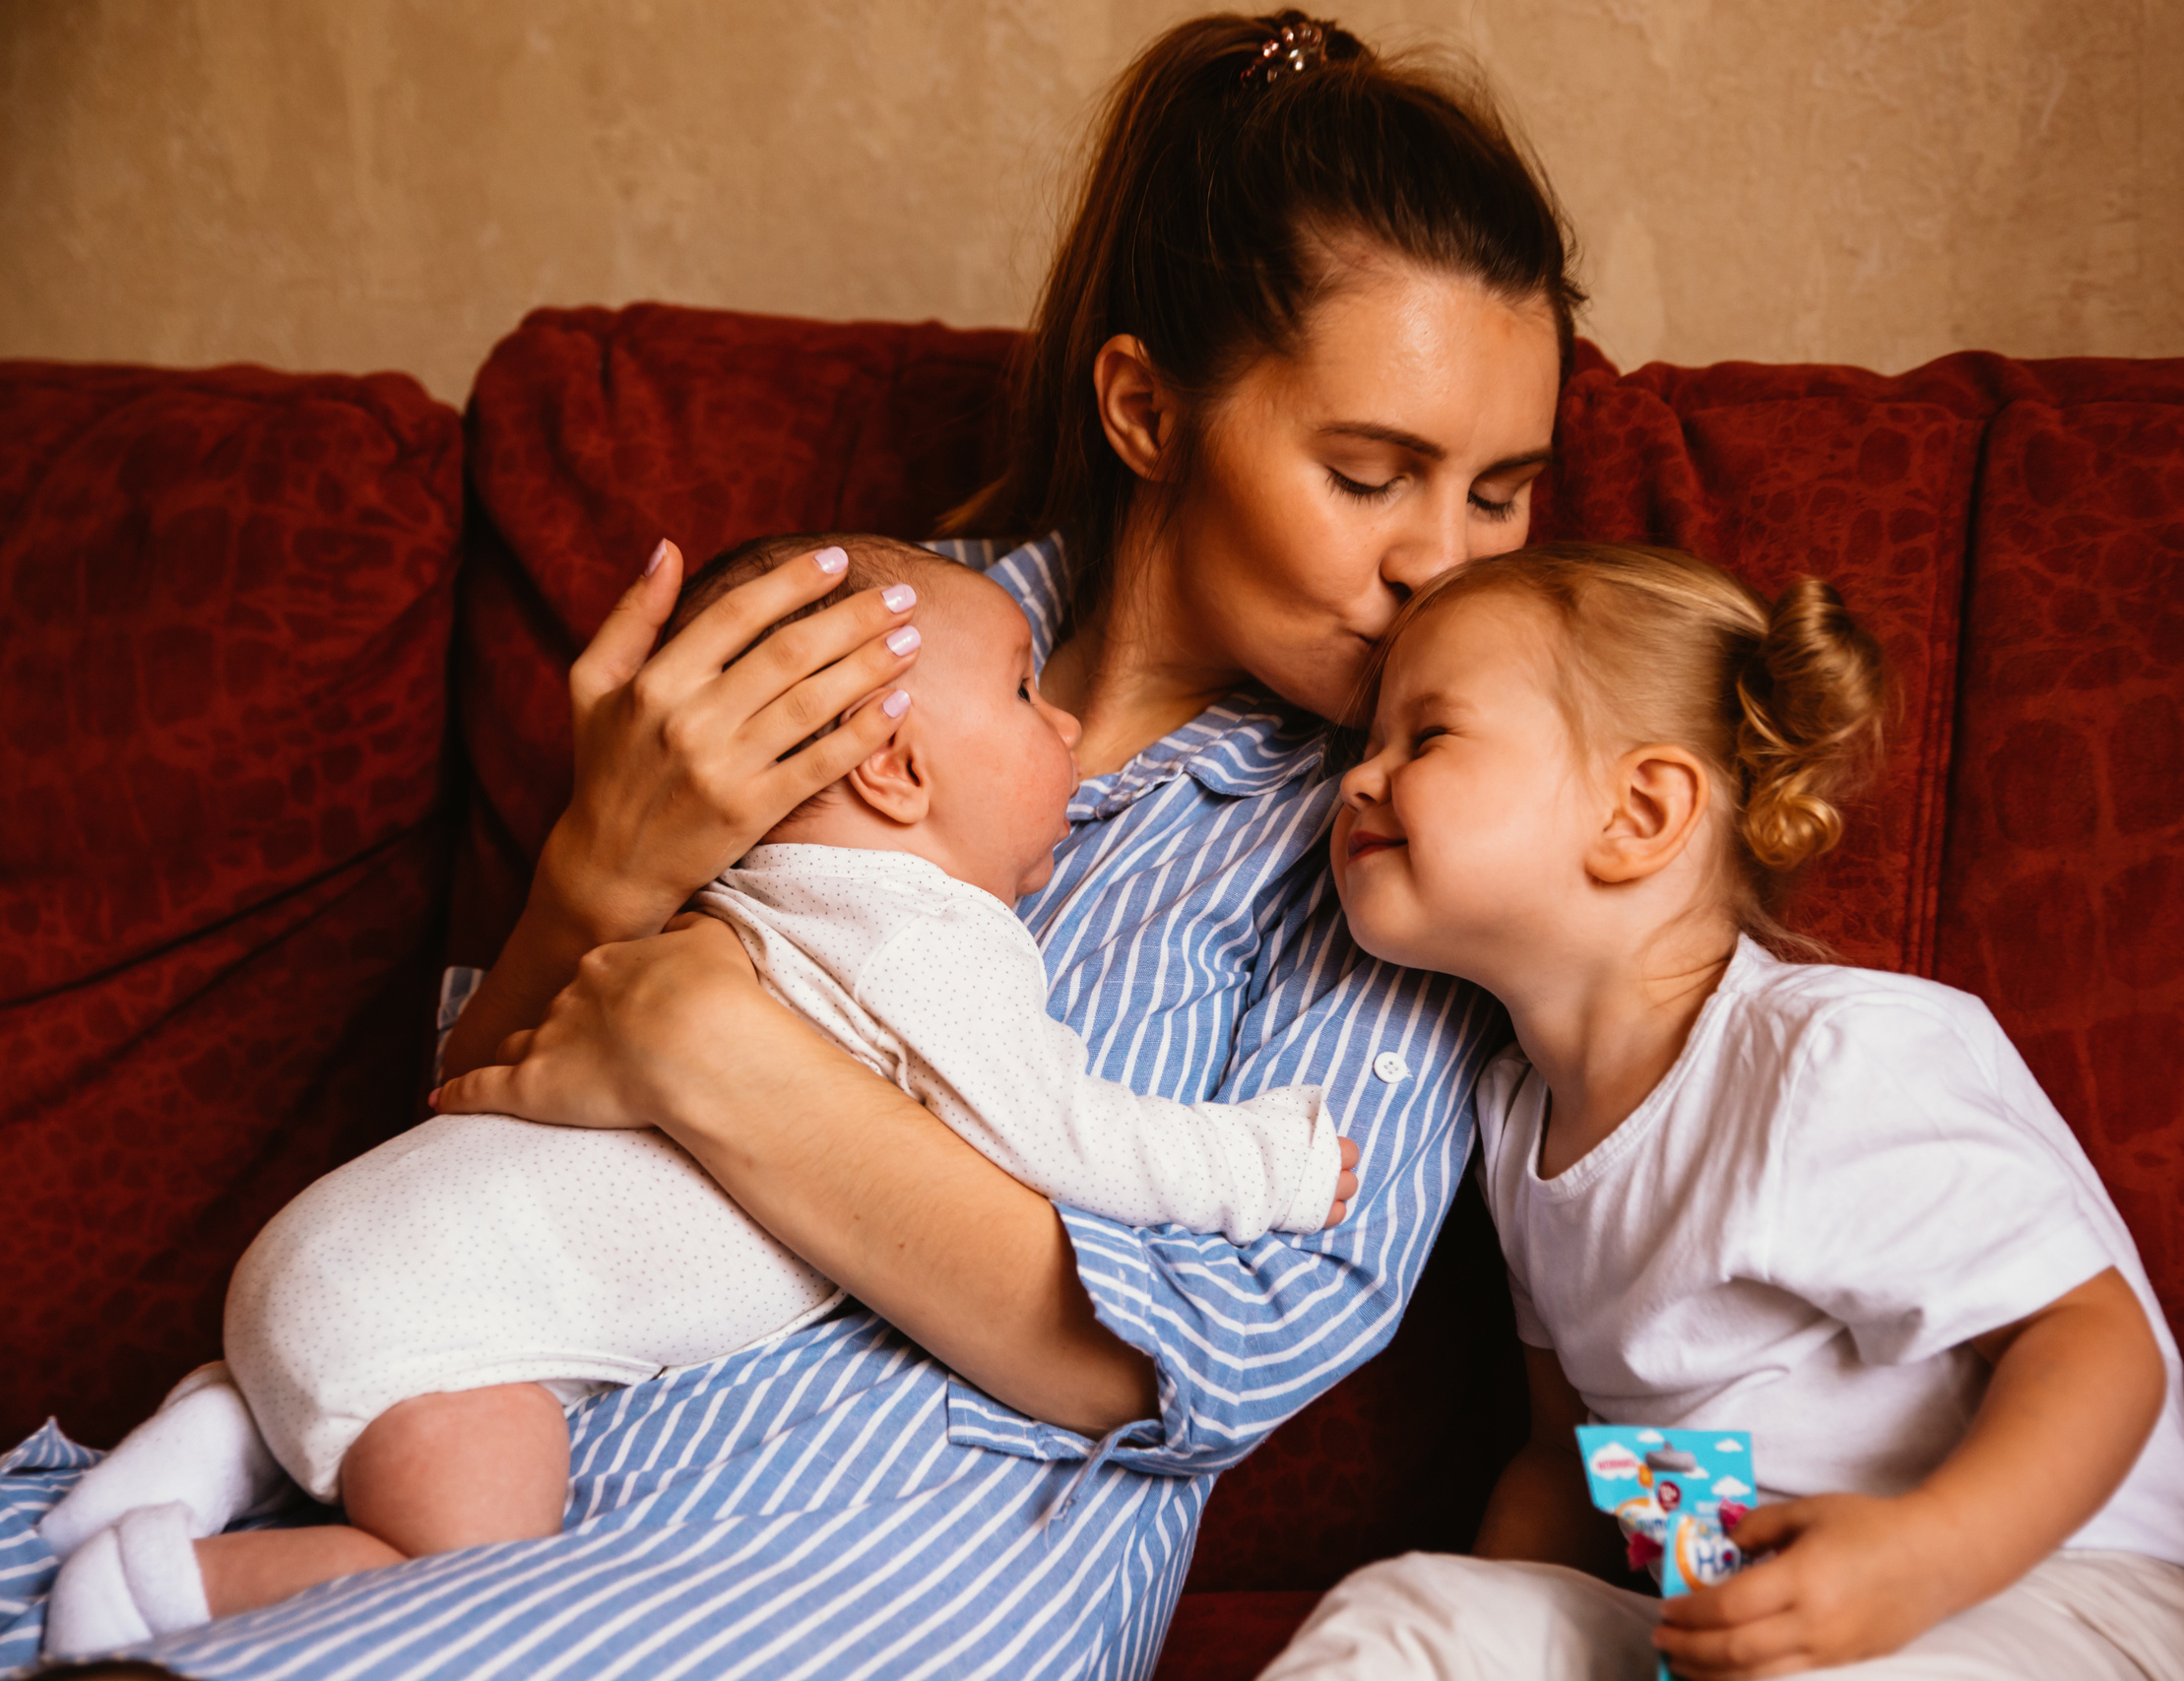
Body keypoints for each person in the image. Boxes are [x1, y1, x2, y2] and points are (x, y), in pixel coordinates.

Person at [5, 11, 1579, 1677]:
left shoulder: (1416, 822)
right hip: (496, 1459)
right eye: (1367, 473)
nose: (1443, 563)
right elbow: (474, 1149)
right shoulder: (842, 642)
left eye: (1499, 493)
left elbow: (1207, 1352)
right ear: (1145, 409)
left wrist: (716, 1054)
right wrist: (592, 877)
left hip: (894, 1556)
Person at [36, 535, 1360, 1660]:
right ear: (892, 772)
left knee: (365, 1361)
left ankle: (208, 1436)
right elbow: (1059, 1128)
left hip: (338, 1254)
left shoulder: (754, 894)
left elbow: (489, 1092)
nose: (1060, 726)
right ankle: (162, 1586)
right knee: (466, 1559)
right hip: (443, 1340)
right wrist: (1269, 1164)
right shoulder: (926, 934)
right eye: (1027, 695)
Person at [1258, 543, 2184, 1680]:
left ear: (1638, 810)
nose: (1356, 780)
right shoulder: (1516, 1120)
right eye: (1367, 744)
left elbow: (2099, 1346)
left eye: (1423, 738)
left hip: (2052, 1595)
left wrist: (1921, 1558)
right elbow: (1564, 1459)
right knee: (1410, 1613)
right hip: (1734, 1623)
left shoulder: (1828, 1055)